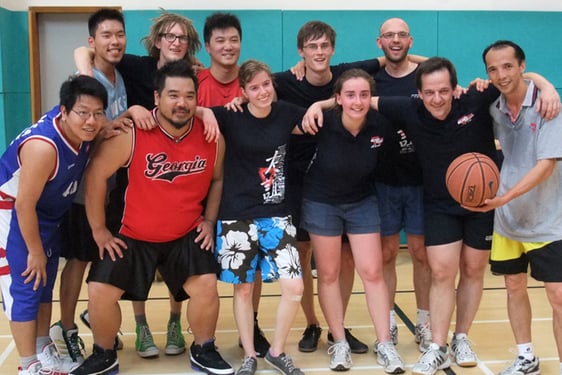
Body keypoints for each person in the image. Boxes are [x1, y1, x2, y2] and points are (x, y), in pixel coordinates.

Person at [303, 57, 559, 375]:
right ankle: (438, 346)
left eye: (443, 91)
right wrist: (321, 103)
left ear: (455, 89)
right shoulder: (408, 108)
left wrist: (546, 85)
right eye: (429, 92)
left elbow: (515, 78)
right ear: (419, 94)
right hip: (438, 203)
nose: (436, 98)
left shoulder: (477, 97)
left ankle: (461, 337)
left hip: (484, 201)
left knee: (473, 270)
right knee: (441, 273)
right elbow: (359, 96)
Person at [69, 60, 232, 375]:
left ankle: (204, 348)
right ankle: (103, 354)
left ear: (197, 100)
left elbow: (218, 179)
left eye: (188, 96)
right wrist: (99, 230)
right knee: (100, 290)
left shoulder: (212, 137)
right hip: (134, 232)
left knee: (206, 286)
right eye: (173, 95)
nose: (181, 103)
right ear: (156, 97)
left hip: (185, 231)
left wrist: (209, 220)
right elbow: (95, 177)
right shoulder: (132, 133)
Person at [75, 11, 204, 358]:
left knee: (180, 258)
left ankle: (176, 321)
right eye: (169, 36)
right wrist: (89, 86)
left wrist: (204, 113)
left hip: (175, 174)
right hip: (131, 171)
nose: (176, 42)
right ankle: (142, 325)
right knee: (132, 253)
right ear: (158, 40)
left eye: (182, 38)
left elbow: (200, 106)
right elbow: (85, 52)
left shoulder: (194, 73)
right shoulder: (136, 65)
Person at [299, 68, 404, 373]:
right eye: (350, 95)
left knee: (372, 272)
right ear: (338, 99)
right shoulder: (323, 122)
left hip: (361, 202)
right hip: (321, 202)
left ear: (371, 98)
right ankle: (339, 342)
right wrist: (317, 106)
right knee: (329, 274)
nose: (357, 101)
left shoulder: (381, 126)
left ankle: (385, 343)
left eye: (364, 94)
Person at [0, 75, 107, 375]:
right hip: (13, 215)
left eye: (98, 113)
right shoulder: (43, 148)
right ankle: (28, 365)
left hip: (46, 215)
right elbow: (23, 204)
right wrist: (34, 250)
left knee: (44, 285)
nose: (91, 121)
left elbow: (102, 125)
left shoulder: (88, 133)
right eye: (83, 112)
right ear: (63, 111)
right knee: (26, 285)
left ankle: (43, 348)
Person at [203, 59, 305, 375]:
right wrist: (206, 111)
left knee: (294, 287)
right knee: (244, 289)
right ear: (243, 91)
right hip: (237, 215)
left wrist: (322, 106)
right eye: (254, 87)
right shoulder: (230, 116)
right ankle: (249, 354)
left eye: (266, 85)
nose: (262, 92)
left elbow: (321, 112)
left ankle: (275, 351)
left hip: (276, 215)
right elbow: (191, 109)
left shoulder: (287, 112)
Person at [470, 40, 562, 375]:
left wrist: (546, 84)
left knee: (558, 297)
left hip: (549, 218)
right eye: (492, 69)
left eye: (507, 66)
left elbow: (546, 165)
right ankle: (527, 357)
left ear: (522, 66)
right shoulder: (493, 106)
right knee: (513, 286)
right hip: (509, 221)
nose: (500, 74)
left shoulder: (548, 105)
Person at [50, 8, 129, 367]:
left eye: (119, 34)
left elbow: (111, 124)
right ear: (92, 41)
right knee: (79, 258)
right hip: (81, 188)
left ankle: (90, 317)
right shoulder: (88, 76)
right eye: (106, 35)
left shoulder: (120, 75)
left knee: (101, 257)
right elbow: (89, 124)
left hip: (110, 187)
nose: (114, 41)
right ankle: (64, 327)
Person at [198, 12, 272, 358]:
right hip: (200, 185)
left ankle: (251, 327)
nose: (228, 46)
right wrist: (204, 111)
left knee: (250, 270)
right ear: (208, 46)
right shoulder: (197, 82)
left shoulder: (253, 83)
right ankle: (202, 338)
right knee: (197, 266)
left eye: (233, 40)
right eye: (220, 41)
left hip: (244, 189)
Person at [372, 18, 431, 351]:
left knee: (421, 254)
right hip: (383, 181)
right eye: (389, 36)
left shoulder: (426, 77)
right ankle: (389, 324)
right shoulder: (373, 79)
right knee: (388, 254)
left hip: (421, 181)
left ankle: (423, 323)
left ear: (411, 40)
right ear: (379, 42)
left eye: (401, 35)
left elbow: (446, 72)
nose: (396, 40)